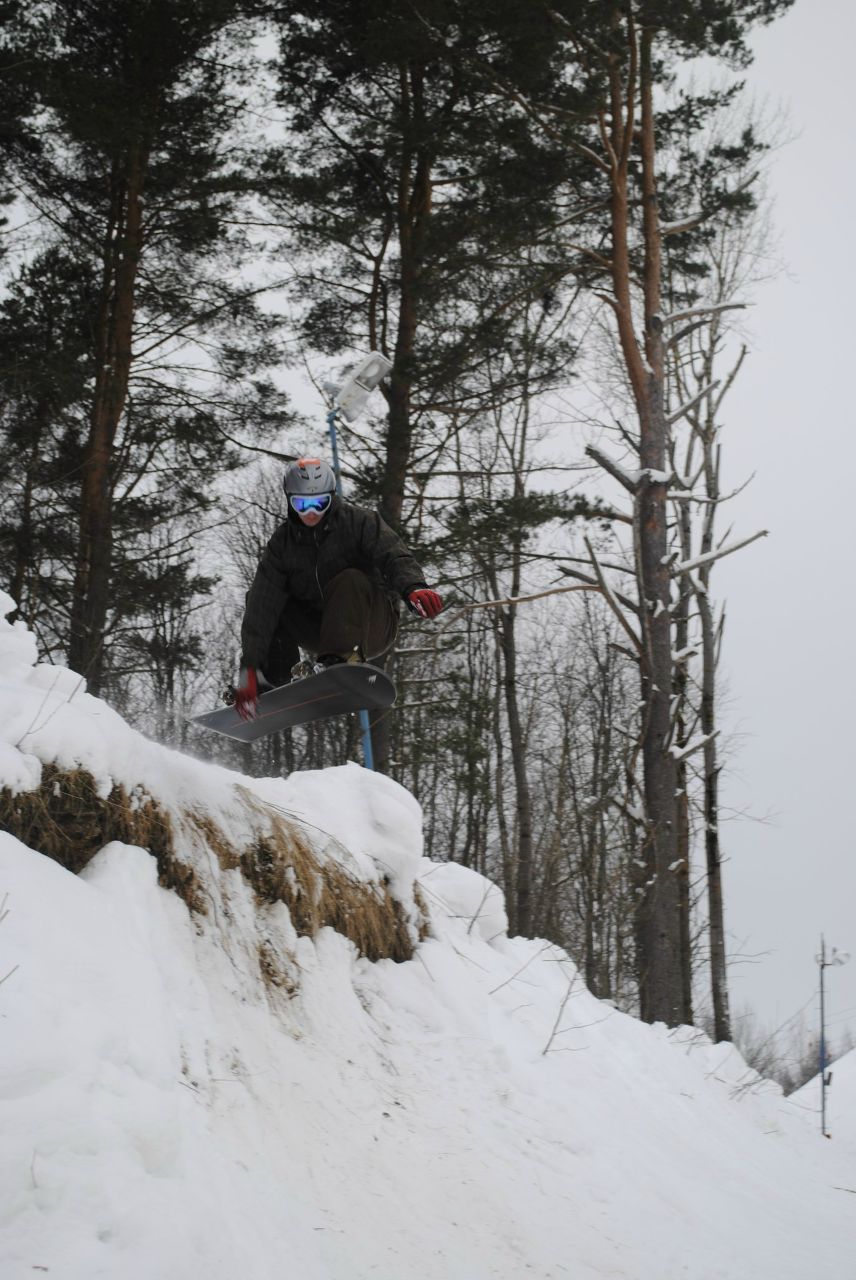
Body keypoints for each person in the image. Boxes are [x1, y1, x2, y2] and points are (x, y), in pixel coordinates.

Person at [233, 457, 443, 720]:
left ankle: (342, 660)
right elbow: (260, 608)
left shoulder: (359, 523)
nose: (311, 512)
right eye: (302, 504)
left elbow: (394, 554)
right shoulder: (282, 545)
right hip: (320, 630)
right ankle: (272, 680)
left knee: (350, 579)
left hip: (371, 624)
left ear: (331, 498)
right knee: (264, 599)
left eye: (319, 503)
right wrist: (250, 670)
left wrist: (413, 587)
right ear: (289, 501)